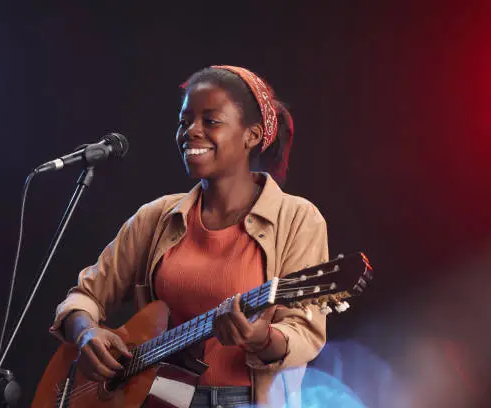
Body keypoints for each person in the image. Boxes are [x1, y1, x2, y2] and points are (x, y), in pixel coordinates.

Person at [50, 65, 329, 407]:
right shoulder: (155, 218)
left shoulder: (298, 219)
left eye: (210, 121)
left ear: (252, 135)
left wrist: (259, 337)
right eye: (185, 122)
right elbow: (83, 297)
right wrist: (85, 332)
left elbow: (304, 333)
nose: (191, 132)